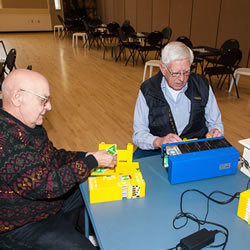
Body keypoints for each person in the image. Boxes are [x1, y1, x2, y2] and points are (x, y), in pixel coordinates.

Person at [0, 69, 116, 249]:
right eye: (43, 100)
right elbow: (44, 185)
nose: (49, 107)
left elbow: (53, 156)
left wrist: (83, 156)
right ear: (17, 98)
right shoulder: (5, 140)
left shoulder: (29, 125)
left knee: (89, 182)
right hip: (22, 224)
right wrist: (91, 162)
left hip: (46, 204)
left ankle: (84, 228)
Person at [133, 41, 224, 159]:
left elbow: (215, 123)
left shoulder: (202, 85)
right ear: (163, 68)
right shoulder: (148, 90)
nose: (181, 78)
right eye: (175, 73)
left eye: (186, 72)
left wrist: (215, 131)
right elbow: (138, 134)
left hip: (194, 148)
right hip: (157, 151)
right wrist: (159, 141)